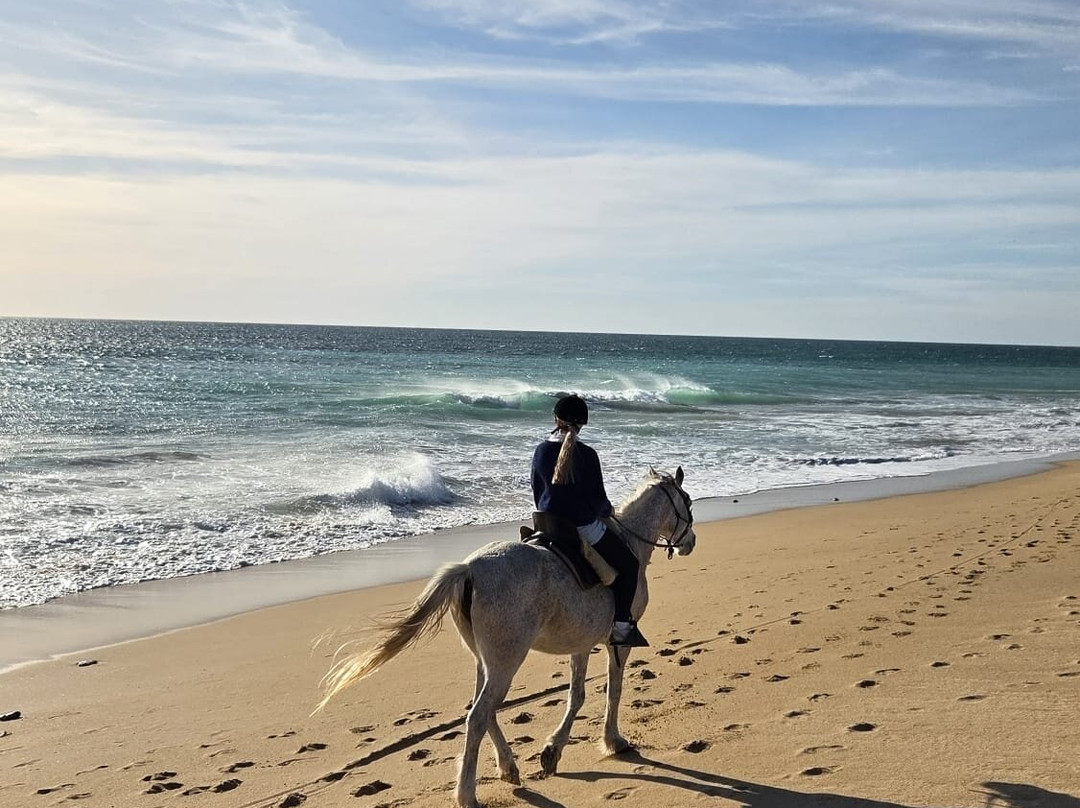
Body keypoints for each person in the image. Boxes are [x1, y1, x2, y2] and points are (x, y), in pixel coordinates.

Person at [531, 394, 648, 647]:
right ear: (582, 424)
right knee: (629, 566)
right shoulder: (587, 455)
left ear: (555, 419)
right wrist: (607, 510)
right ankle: (621, 627)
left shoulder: (540, 450)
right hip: (581, 526)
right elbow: (599, 502)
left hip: (547, 524)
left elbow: (537, 491)